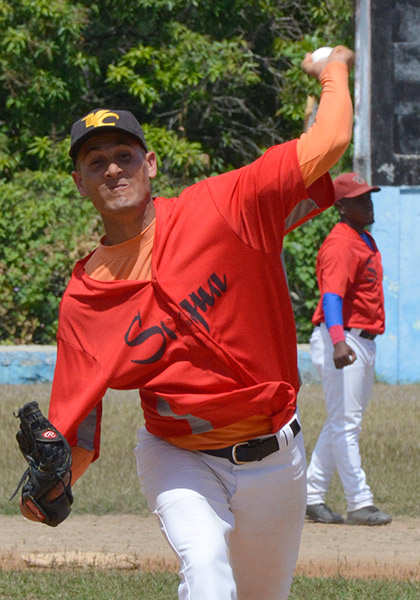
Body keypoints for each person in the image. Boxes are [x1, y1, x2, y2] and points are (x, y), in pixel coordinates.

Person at [20, 46, 354, 599]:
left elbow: (332, 140)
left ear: (150, 164)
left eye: (124, 154)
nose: (111, 168)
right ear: (78, 181)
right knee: (203, 568)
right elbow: (73, 430)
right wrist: (49, 493)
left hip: (276, 456)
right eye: (94, 160)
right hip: (179, 455)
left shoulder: (223, 207)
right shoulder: (85, 299)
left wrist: (334, 66)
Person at [306, 172, 392, 527]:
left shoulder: (362, 238)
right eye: (358, 198)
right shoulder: (342, 242)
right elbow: (331, 297)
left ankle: (311, 495)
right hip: (343, 340)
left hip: (359, 340)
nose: (367, 202)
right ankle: (360, 500)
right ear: (341, 207)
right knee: (346, 424)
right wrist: (339, 341)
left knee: (341, 422)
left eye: (368, 196)